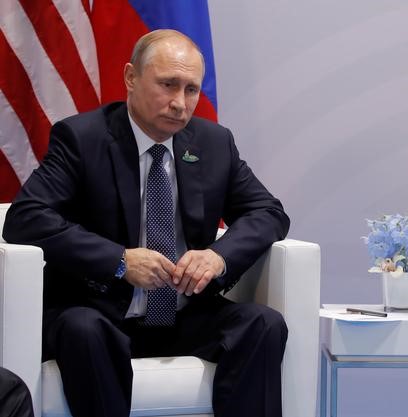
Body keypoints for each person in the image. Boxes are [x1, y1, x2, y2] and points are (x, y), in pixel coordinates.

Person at [2, 29, 290, 417]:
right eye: (168, 85)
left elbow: (268, 212)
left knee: (263, 324)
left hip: (184, 314)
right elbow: (26, 219)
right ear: (131, 78)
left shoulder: (214, 142)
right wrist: (120, 260)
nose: (179, 103)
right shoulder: (82, 138)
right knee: (84, 329)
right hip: (99, 311)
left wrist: (218, 258)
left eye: (191, 89)